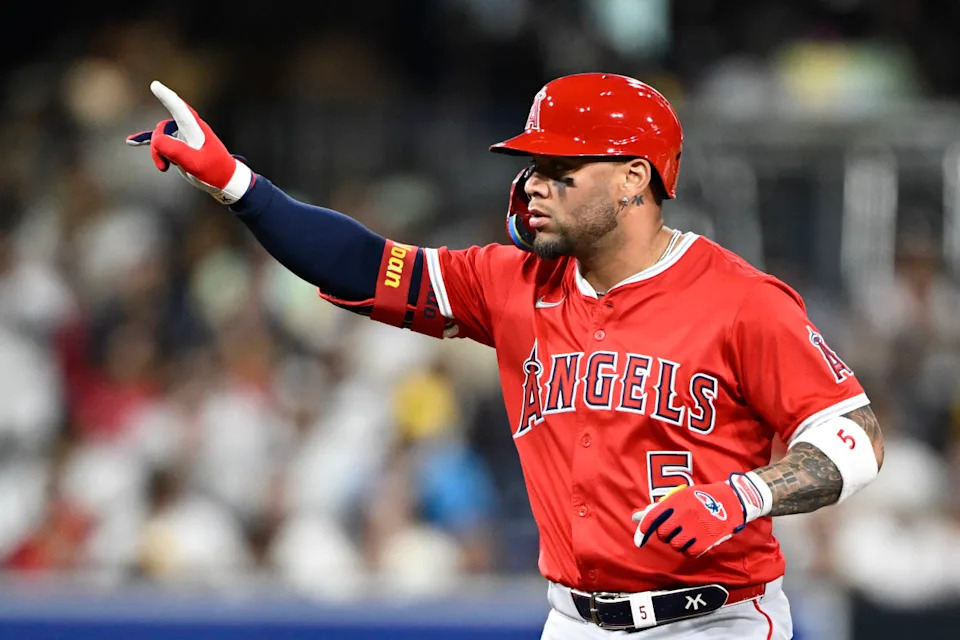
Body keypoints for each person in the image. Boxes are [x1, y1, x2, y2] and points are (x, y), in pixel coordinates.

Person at [128, 73, 884, 639]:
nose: (535, 186)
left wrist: (742, 496)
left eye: (562, 170)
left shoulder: (739, 298)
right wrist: (234, 183)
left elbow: (854, 437)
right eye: (532, 166)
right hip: (574, 621)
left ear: (634, 179)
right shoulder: (511, 283)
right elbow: (361, 265)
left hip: (716, 622)